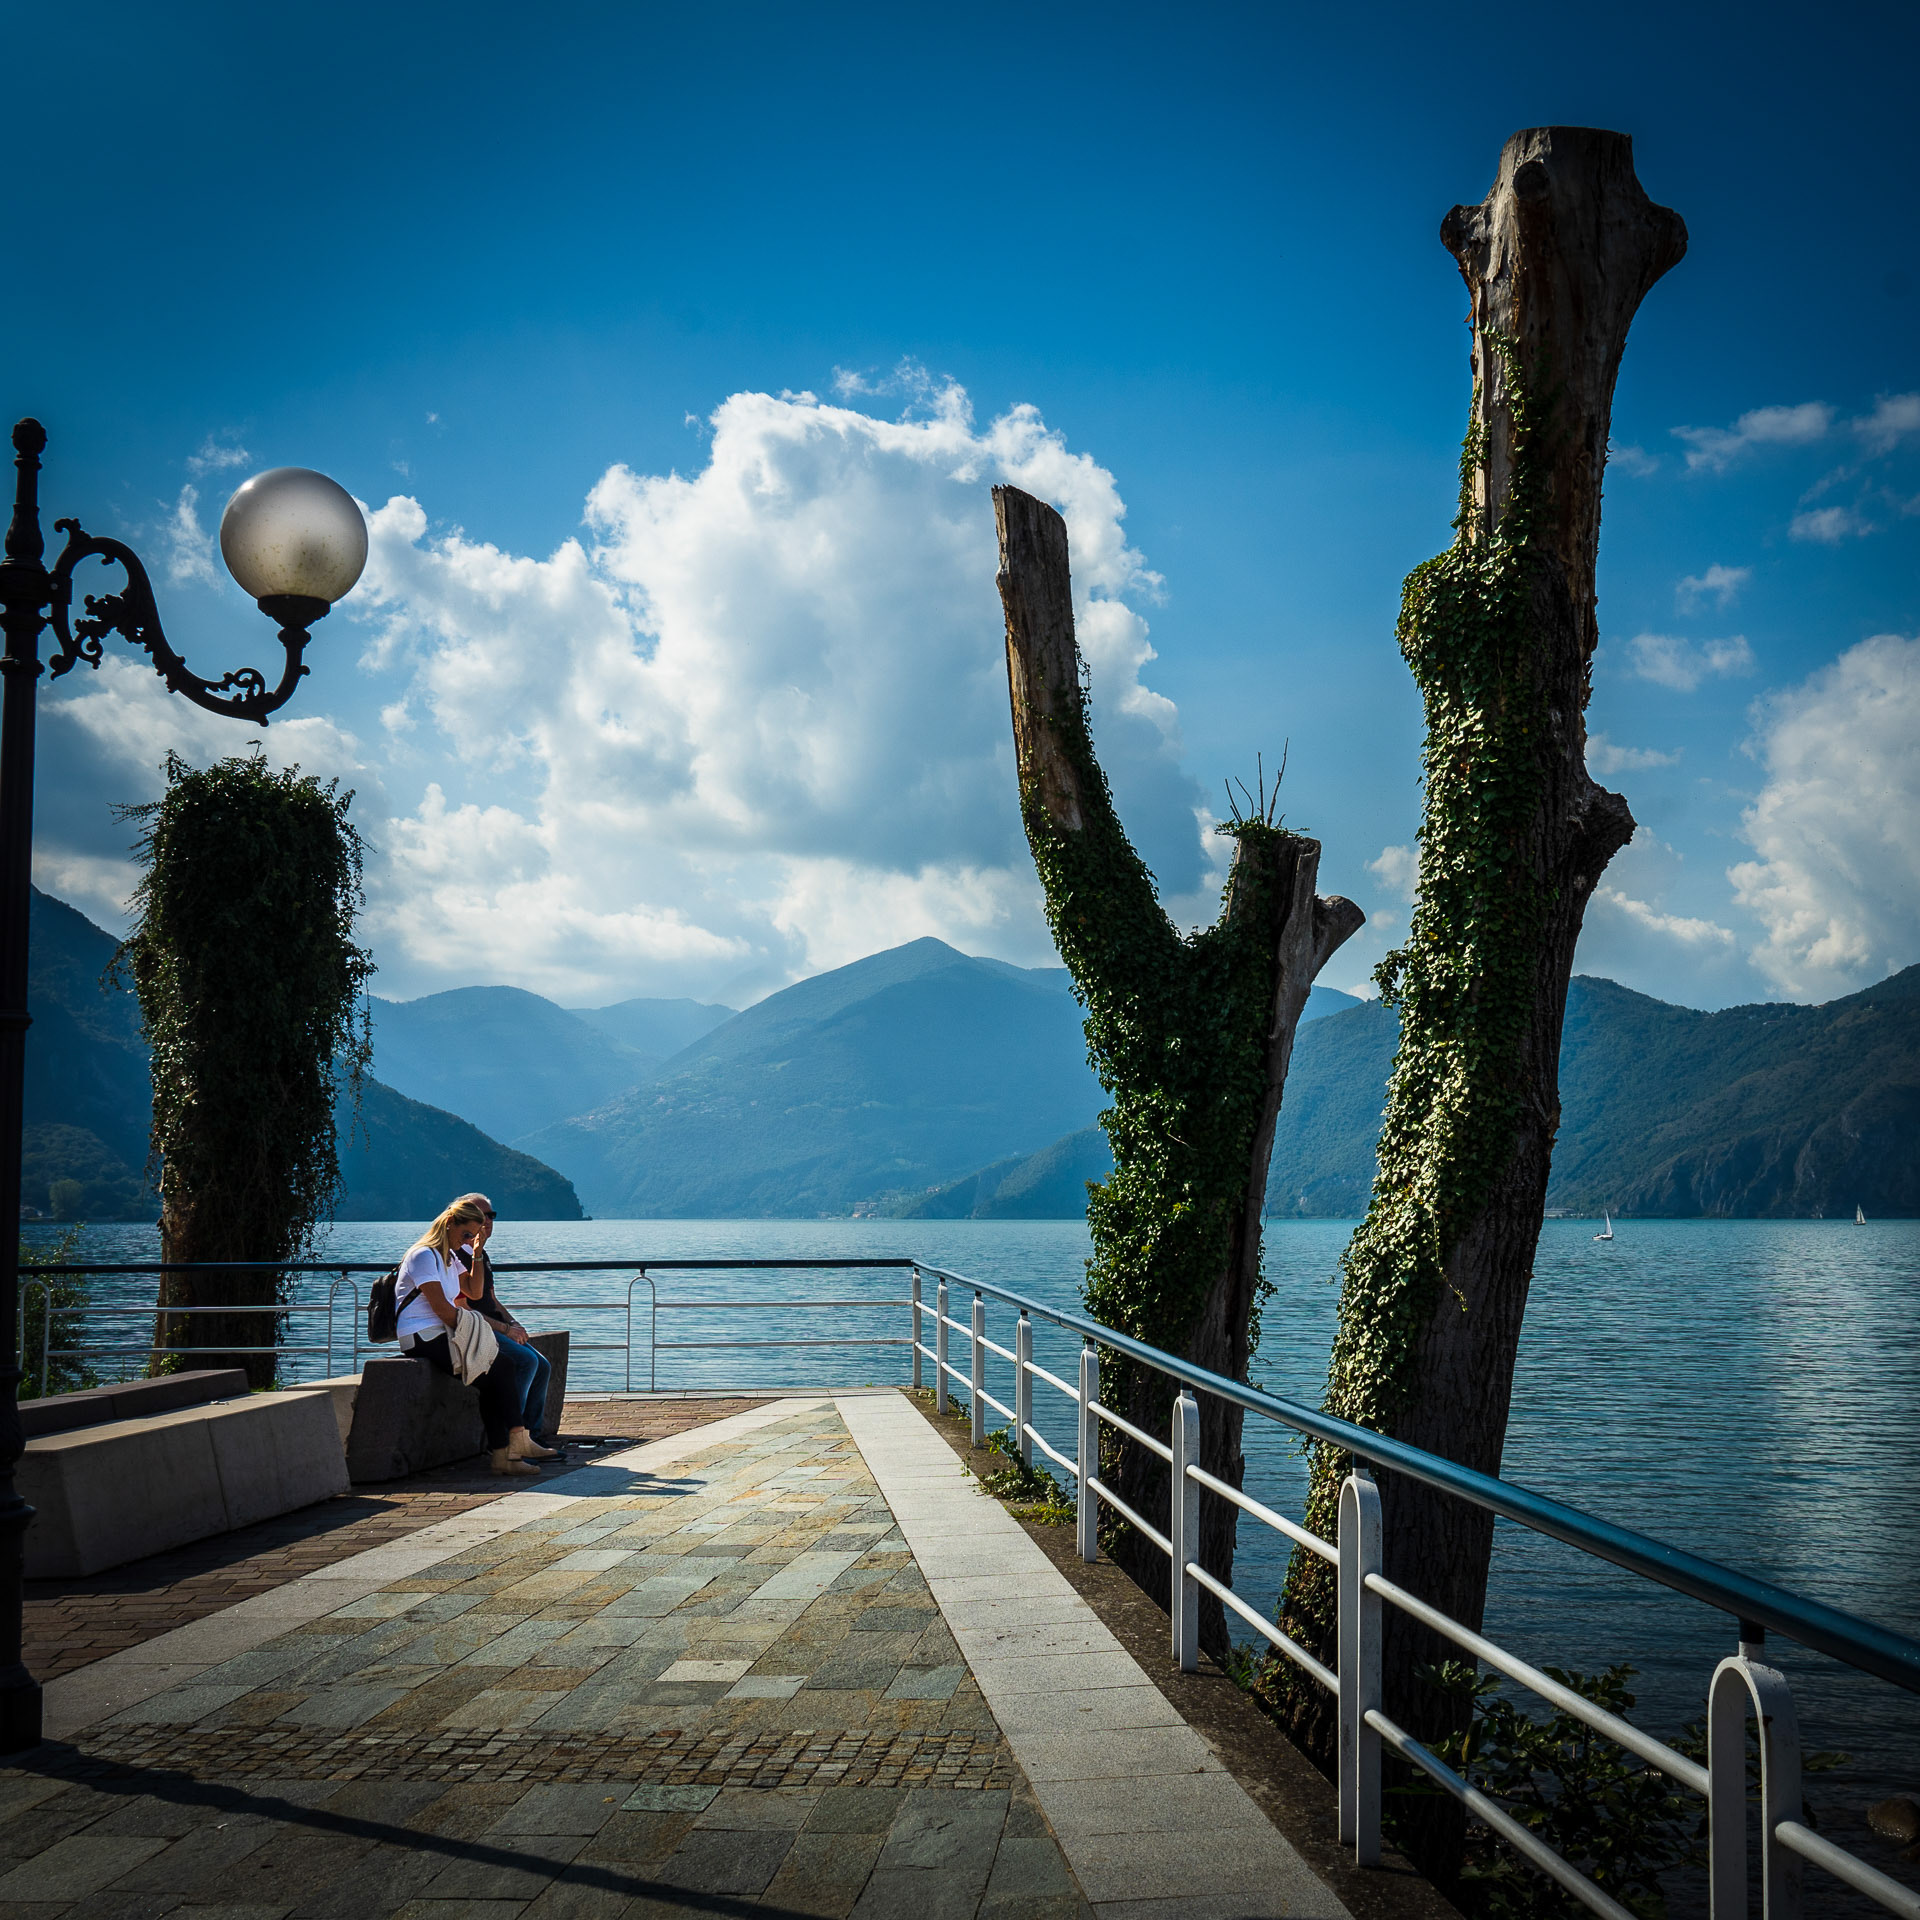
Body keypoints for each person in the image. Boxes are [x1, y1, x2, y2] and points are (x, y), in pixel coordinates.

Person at [394, 1196, 537, 1477]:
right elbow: (443, 1310)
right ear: (449, 1223)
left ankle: (503, 1456)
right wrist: (479, 1331)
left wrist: (477, 1253)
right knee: (502, 1367)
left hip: (441, 1332)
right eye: (466, 1234)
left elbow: (474, 1291)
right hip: (421, 1335)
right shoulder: (423, 1255)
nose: (468, 1240)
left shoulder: (449, 1256)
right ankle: (515, 1442)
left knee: (495, 1377)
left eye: (473, 1235)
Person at [452, 1192, 560, 1461]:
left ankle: (532, 1436)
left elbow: (492, 1299)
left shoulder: (480, 1255)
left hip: (495, 1325)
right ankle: (511, 1438)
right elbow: (463, 1307)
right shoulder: (457, 1256)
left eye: (491, 1215)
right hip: (478, 1328)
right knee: (525, 1361)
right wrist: (505, 1330)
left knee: (543, 1365)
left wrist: (513, 1322)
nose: (487, 1221)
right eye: (481, 1216)